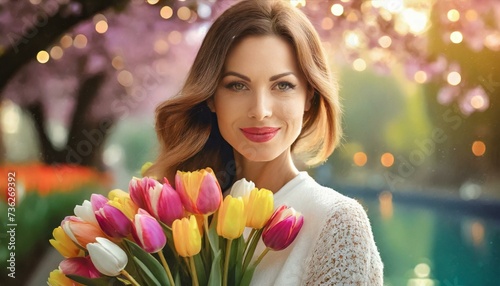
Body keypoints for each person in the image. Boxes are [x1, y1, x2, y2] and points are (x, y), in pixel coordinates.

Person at [146, 0, 383, 284]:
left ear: (309, 95)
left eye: (282, 85)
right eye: (237, 85)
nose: (260, 110)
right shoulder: (176, 216)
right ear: (211, 96)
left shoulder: (335, 222)